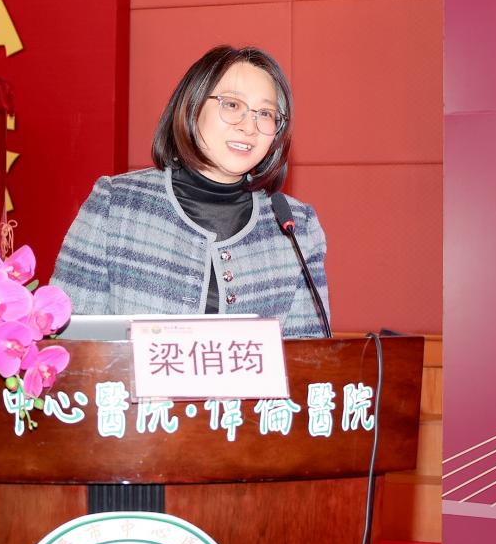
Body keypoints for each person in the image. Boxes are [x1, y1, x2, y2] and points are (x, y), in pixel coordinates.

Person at [50, 45, 330, 338]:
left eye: (265, 113)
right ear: (192, 106)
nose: (250, 126)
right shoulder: (117, 204)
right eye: (232, 105)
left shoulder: (296, 226)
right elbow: (68, 345)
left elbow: (308, 358)